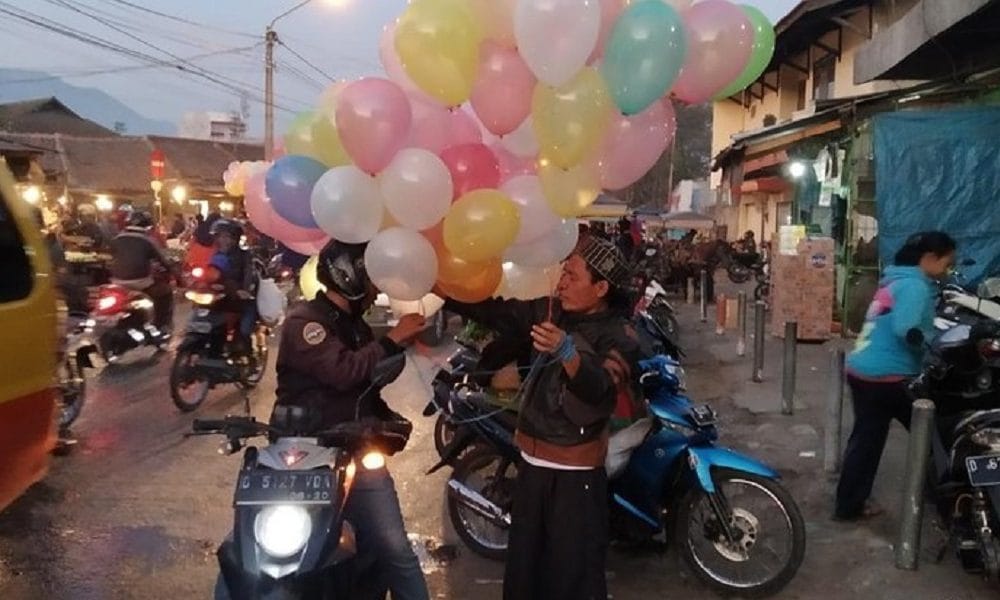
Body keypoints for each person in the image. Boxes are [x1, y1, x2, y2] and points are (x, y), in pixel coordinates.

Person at [439, 235, 642, 600]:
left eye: (573, 276)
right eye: (563, 271)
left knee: (572, 576)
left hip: (574, 476)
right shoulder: (551, 310)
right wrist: (443, 285)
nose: (562, 281)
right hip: (531, 462)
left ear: (600, 287)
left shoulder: (621, 336)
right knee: (525, 572)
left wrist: (567, 351)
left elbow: (601, 389)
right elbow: (494, 311)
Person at [270, 239, 429, 600]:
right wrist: (392, 340)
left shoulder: (356, 326)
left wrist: (387, 421)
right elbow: (343, 371)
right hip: (304, 457)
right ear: (351, 276)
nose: (377, 290)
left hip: (356, 452)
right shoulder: (305, 322)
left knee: (395, 548)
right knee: (269, 547)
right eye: (372, 278)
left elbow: (365, 387)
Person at [834, 231, 956, 521]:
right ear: (929, 259)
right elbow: (906, 328)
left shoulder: (895, 279)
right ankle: (946, 500)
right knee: (936, 432)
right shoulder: (915, 286)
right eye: (947, 263)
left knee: (866, 440)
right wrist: (931, 347)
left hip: (862, 369)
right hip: (890, 376)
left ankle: (849, 504)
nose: (948, 270)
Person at [108, 211, 178, 332]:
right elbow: (163, 261)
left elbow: (109, 257)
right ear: (148, 225)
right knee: (165, 292)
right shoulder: (148, 240)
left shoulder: (116, 239)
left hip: (116, 282)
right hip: (140, 282)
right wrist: (172, 271)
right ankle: (161, 326)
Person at [206, 219, 257, 353]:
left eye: (227, 236)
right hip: (219, 299)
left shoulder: (245, 256)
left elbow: (248, 274)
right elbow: (208, 275)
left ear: (235, 238)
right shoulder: (215, 255)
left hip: (240, 300)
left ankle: (248, 356)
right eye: (219, 236)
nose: (222, 240)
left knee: (244, 331)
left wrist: (243, 290)